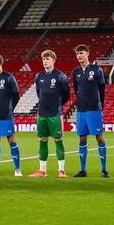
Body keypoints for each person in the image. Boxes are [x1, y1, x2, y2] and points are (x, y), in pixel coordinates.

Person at [29, 50, 70, 178]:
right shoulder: (39, 76)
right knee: (42, 140)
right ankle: (42, 170)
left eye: (47, 59)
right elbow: (38, 93)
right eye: (43, 59)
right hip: (42, 113)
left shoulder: (60, 76)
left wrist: (57, 105)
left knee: (58, 139)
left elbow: (66, 95)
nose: (45, 61)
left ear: (53, 60)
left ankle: (61, 170)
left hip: (55, 114)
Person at [71, 45, 108, 178]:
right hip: (81, 109)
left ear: (87, 53)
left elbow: (102, 89)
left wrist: (100, 106)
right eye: (77, 54)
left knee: (99, 137)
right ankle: (83, 170)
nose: (79, 56)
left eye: (81, 53)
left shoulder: (97, 70)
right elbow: (76, 89)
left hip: (94, 109)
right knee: (82, 137)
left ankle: (104, 170)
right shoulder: (75, 72)